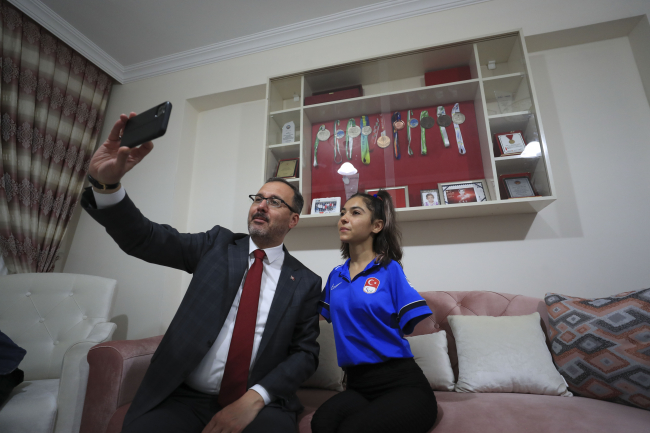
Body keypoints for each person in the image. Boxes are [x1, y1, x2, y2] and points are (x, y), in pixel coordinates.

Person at [81, 113, 322, 433]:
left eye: (275, 202)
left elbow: (305, 354)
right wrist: (107, 186)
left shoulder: (305, 282)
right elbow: (146, 238)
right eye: (258, 198)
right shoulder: (217, 246)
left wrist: (256, 397)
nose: (261, 205)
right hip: (185, 398)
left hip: (258, 403)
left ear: (293, 220)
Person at [311, 191, 437, 433]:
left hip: (401, 383)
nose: (343, 218)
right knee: (321, 423)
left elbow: (411, 318)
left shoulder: (389, 269)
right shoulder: (336, 276)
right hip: (358, 385)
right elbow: (314, 317)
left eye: (355, 212)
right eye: (342, 213)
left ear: (376, 226)